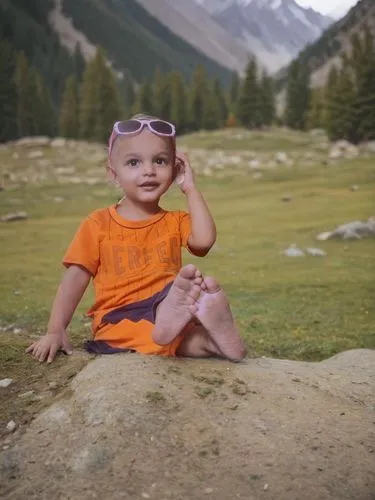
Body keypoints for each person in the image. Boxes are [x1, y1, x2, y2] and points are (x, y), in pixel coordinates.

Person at [26, 114, 246, 364]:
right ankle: (182, 325)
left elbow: (204, 241)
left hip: (169, 305)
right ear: (113, 173)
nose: (149, 171)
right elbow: (74, 280)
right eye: (133, 162)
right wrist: (56, 331)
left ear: (175, 170)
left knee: (183, 334)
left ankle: (218, 339)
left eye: (160, 161)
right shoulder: (98, 224)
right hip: (120, 316)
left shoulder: (174, 221)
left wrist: (190, 188)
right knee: (160, 336)